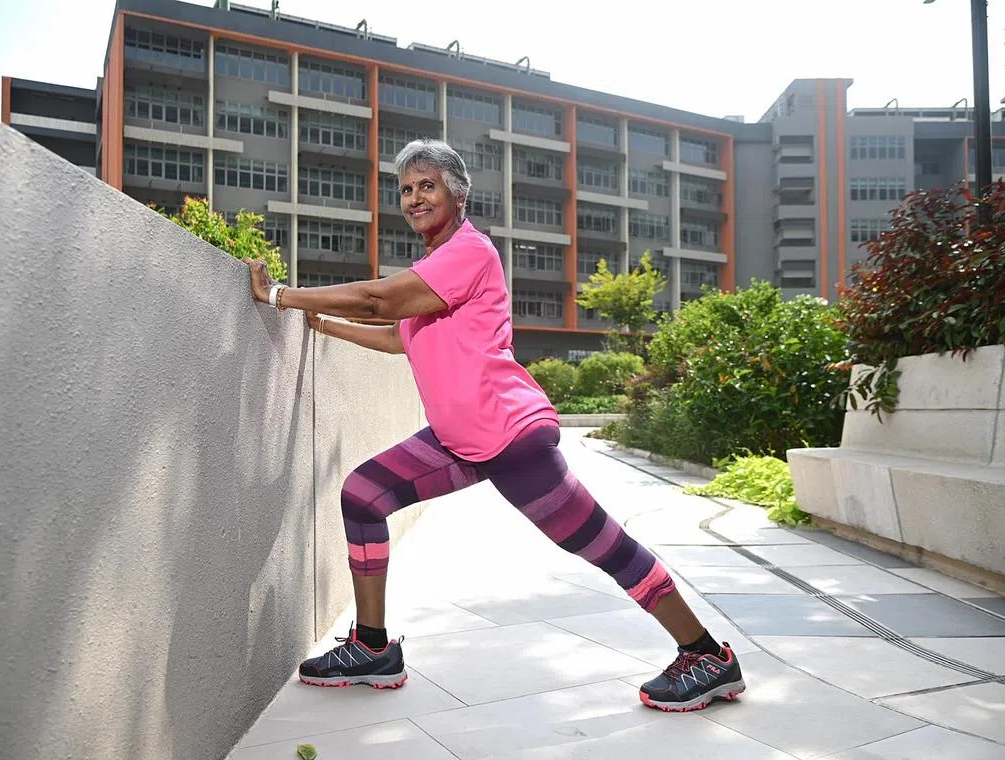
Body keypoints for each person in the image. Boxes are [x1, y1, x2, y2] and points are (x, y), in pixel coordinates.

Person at [243, 139, 745, 712]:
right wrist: (324, 325)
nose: (413, 198)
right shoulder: (437, 270)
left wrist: (279, 296)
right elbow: (395, 336)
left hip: (509, 439)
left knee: (603, 546)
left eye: (426, 185)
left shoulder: (469, 252)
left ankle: (707, 655)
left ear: (458, 193)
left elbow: (378, 301)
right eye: (405, 189)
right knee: (363, 495)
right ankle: (373, 647)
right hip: (461, 442)